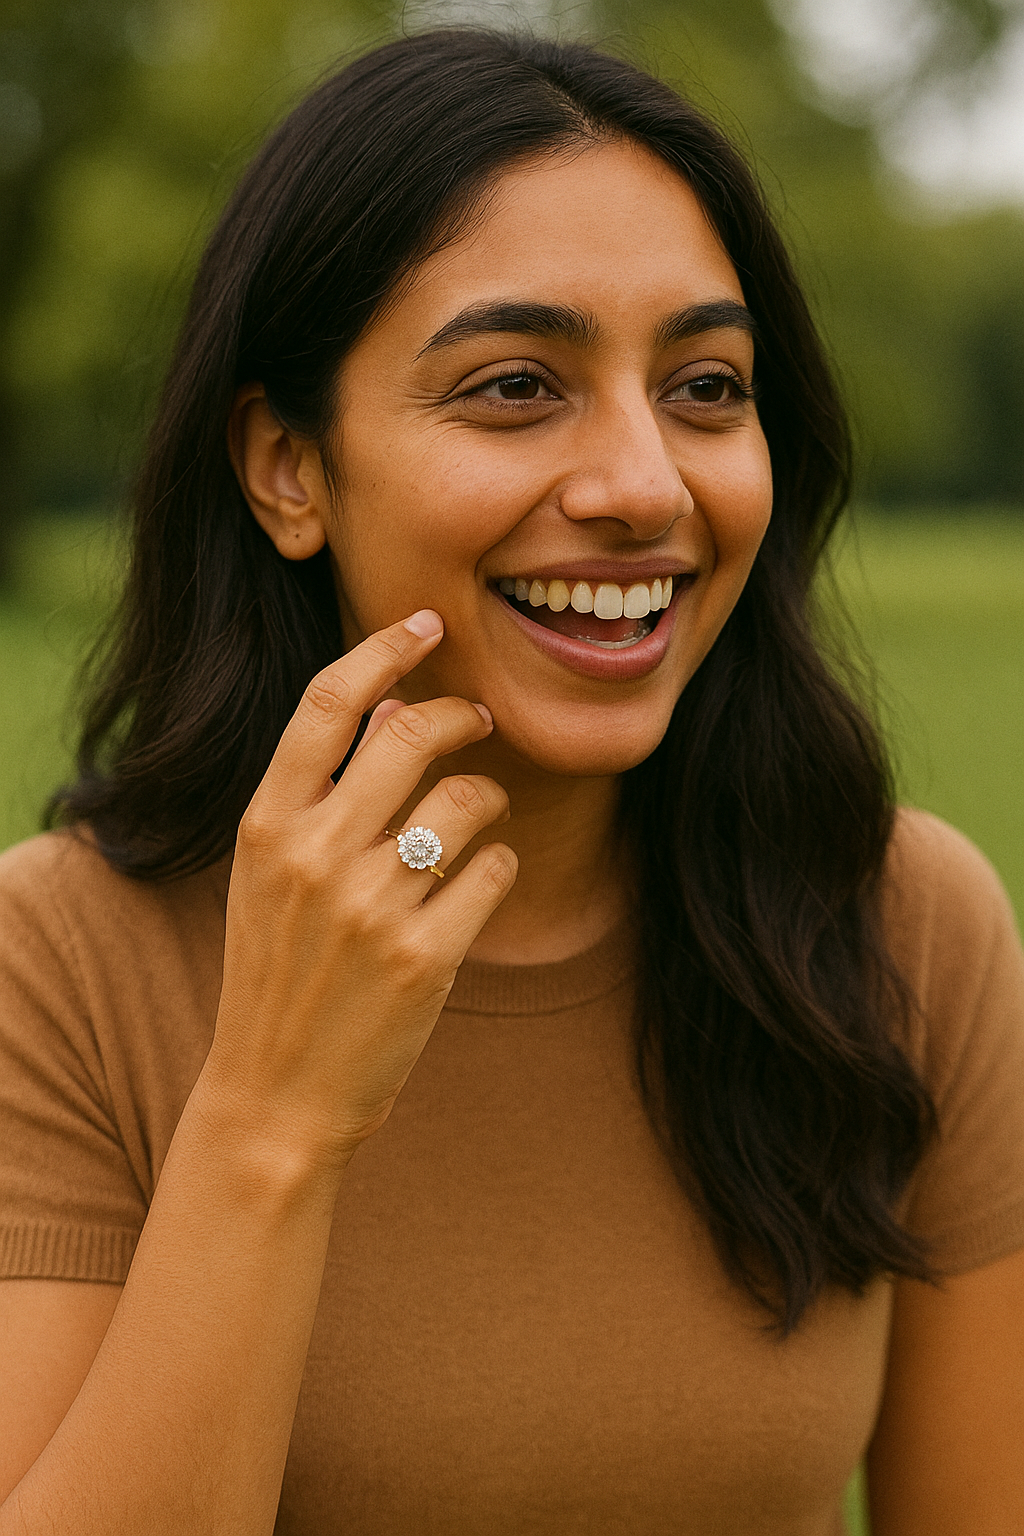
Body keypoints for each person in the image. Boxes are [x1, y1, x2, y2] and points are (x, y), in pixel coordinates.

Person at [0, 27, 1022, 1535]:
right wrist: (273, 1112)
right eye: (515, 386)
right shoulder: (58, 969)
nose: (644, 486)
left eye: (706, 386)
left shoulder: (902, 925)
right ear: (290, 466)